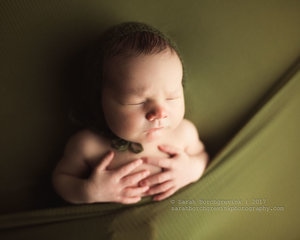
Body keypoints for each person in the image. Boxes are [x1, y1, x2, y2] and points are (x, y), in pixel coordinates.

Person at [52, 22, 209, 204]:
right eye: (138, 101)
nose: (159, 112)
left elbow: (202, 156)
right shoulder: (88, 146)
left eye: (172, 97)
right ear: (99, 101)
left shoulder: (184, 134)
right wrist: (89, 192)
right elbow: (61, 178)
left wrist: (190, 171)